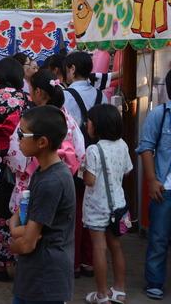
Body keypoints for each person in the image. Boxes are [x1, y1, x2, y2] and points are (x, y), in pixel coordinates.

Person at [10, 105, 75, 304]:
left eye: (22, 134)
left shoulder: (51, 182)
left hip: (44, 279)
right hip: (37, 275)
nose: (17, 138)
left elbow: (29, 242)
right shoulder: (44, 171)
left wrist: (14, 235)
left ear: (42, 142)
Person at [0, 57, 31, 281]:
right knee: (21, 208)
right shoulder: (24, 100)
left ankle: (0, 262)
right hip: (19, 160)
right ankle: (21, 256)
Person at [7, 70, 85, 216]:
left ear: (38, 92)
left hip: (32, 176)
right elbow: (80, 152)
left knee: (31, 218)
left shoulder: (32, 119)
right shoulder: (66, 117)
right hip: (62, 176)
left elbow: (15, 152)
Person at [63, 51, 107, 278]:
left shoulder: (65, 96)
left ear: (71, 69)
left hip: (76, 160)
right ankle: (91, 260)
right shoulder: (102, 96)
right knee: (95, 208)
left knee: (76, 210)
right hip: (99, 157)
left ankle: (75, 262)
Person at [81, 104, 131, 304]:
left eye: (89, 122)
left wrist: (81, 169)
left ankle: (101, 295)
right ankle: (120, 290)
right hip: (118, 206)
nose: (87, 125)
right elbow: (127, 170)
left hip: (97, 207)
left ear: (97, 126)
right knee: (116, 247)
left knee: (99, 248)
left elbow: (90, 180)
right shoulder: (122, 145)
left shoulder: (93, 149)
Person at [137, 69, 171, 301]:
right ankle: (155, 281)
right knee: (159, 238)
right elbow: (146, 148)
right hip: (164, 188)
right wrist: (151, 181)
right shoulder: (159, 115)